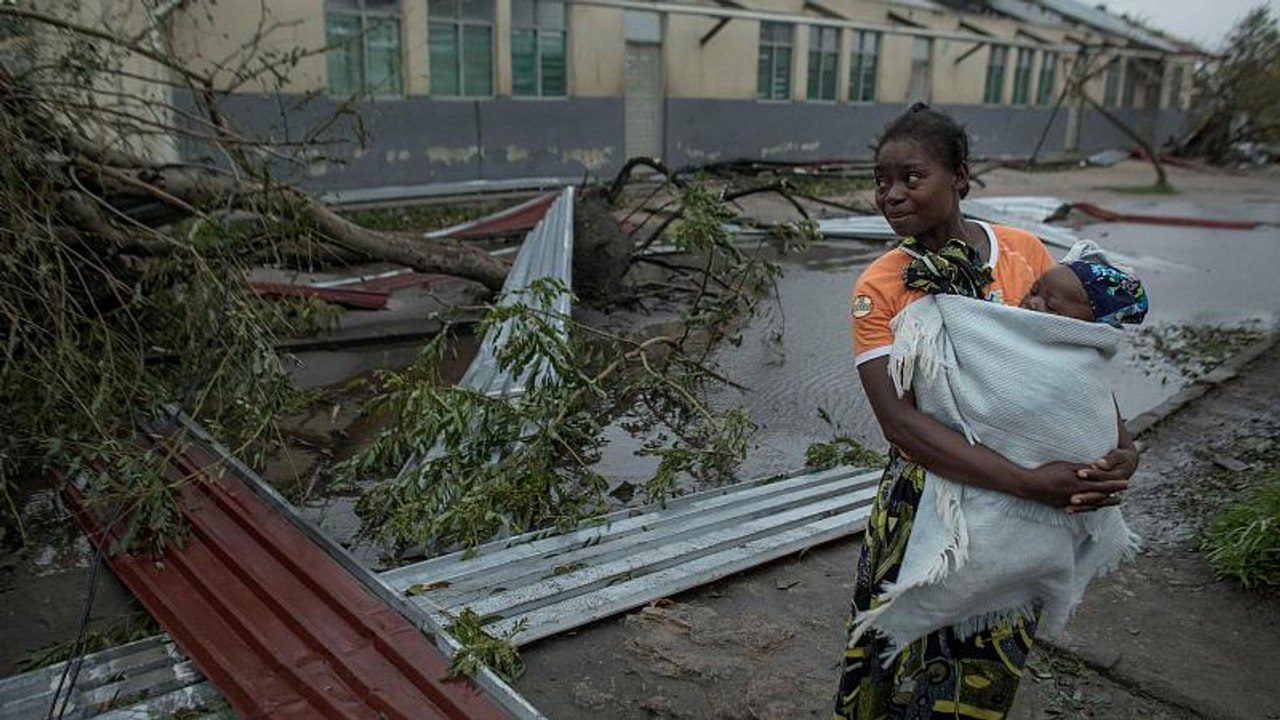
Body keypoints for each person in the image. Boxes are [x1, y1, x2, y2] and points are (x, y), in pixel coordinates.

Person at [835, 104, 1137, 720]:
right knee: (890, 654)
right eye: (881, 181)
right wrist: (1029, 482)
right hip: (926, 497)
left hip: (1023, 514)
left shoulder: (1024, 253)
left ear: (960, 177)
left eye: (911, 177)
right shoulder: (881, 286)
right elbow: (900, 424)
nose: (891, 195)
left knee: (980, 666)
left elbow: (1074, 363)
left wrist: (1121, 446)